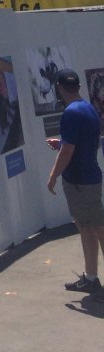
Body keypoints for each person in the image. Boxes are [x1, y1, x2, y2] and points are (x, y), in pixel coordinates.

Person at [46, 68, 104, 292]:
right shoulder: (88, 108)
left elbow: (68, 151)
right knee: (87, 227)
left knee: (97, 228)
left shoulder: (70, 113)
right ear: (78, 87)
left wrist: (53, 176)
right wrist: (61, 144)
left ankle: (91, 278)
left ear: (59, 88)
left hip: (80, 182)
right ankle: (91, 278)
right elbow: (83, 143)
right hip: (88, 178)